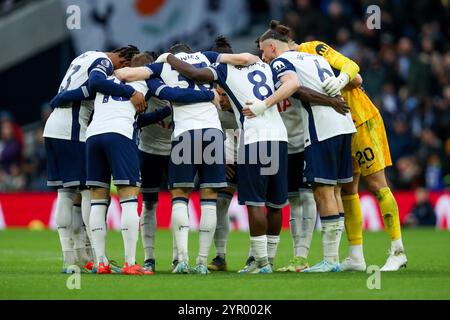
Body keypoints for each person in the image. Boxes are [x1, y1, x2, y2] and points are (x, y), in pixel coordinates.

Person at [160, 36, 349, 273]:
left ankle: (259, 262)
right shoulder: (265, 66)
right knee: (275, 203)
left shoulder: (222, 70)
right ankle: (267, 259)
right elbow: (297, 90)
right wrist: (331, 100)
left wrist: (168, 58)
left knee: (255, 202)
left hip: (254, 138)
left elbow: (194, 74)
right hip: (279, 137)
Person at [282, 21, 407, 271]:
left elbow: (355, 73)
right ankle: (356, 256)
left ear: (285, 45)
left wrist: (340, 81)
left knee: (377, 184)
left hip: (361, 118)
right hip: (340, 126)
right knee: (348, 189)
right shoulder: (288, 67)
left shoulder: (312, 48)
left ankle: (397, 250)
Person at [85, 52, 219, 275]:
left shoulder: (106, 79)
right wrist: (206, 95)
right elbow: (170, 93)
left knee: (98, 199)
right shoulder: (148, 80)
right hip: (123, 136)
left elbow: (138, 118)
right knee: (130, 199)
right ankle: (131, 263)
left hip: (94, 136)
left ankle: (101, 262)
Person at [244, 22, 356, 272]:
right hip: (338, 126)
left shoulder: (279, 64)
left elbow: (294, 87)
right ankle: (330, 258)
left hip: (315, 131)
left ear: (272, 47)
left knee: (320, 193)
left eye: (264, 51)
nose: (262, 56)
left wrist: (263, 105)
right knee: (330, 192)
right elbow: (356, 76)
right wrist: (337, 90)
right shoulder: (313, 57)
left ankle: (322, 259)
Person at [44, 46, 143, 273]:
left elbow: (80, 88)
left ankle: (74, 258)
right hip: (73, 129)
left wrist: (62, 96)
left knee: (66, 193)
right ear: (123, 61)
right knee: (90, 192)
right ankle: (94, 258)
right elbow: (96, 83)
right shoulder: (104, 62)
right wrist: (129, 93)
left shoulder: (84, 55)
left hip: (53, 127)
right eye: (122, 68)